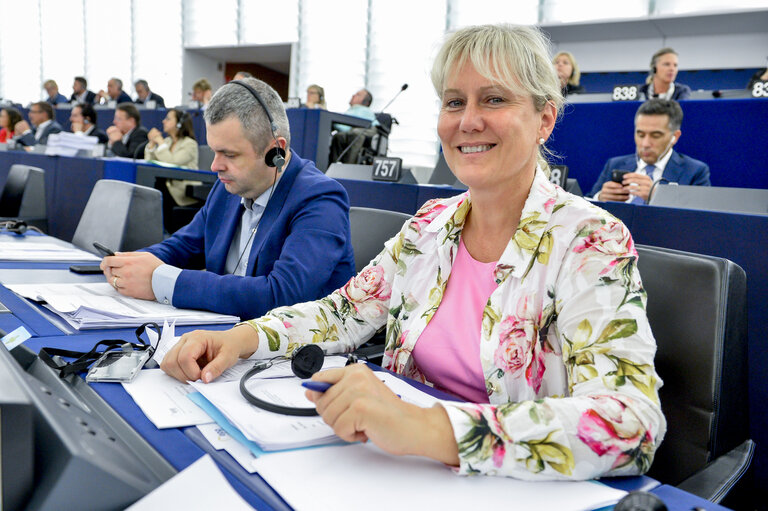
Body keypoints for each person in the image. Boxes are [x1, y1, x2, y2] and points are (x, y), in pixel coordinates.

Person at [161, 24, 665, 480]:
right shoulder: (430, 225)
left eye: (493, 100)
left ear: (544, 120)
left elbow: (630, 423)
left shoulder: (590, 240)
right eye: (453, 102)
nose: (468, 121)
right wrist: (244, 337)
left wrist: (430, 428)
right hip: (396, 471)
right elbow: (341, 314)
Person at [100, 77, 356, 319]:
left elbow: (282, 296)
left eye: (229, 154)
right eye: (214, 151)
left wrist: (162, 281)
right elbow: (183, 246)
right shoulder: (229, 188)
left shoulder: (320, 199)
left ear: (275, 151)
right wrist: (130, 265)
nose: (215, 165)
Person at [589, 99, 710, 203]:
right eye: (640, 135)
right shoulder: (614, 164)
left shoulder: (694, 171)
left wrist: (657, 197)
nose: (645, 144)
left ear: (675, 137)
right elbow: (586, 205)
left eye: (655, 135)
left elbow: (701, 218)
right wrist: (600, 198)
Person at [328, 88, 378, 164]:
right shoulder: (352, 110)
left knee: (355, 133)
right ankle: (333, 165)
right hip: (354, 131)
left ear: (365, 102)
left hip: (371, 131)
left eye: (358, 94)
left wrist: (329, 120)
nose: (353, 95)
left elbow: (345, 128)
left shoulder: (363, 110)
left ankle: (349, 165)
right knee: (338, 136)